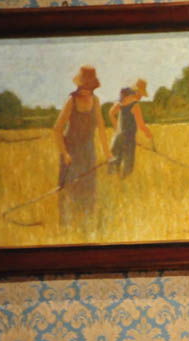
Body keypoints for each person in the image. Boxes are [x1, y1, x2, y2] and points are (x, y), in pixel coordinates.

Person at [53, 65, 112, 230]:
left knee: (88, 190)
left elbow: (101, 128)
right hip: (71, 151)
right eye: (84, 86)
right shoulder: (71, 101)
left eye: (89, 87)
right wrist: (65, 153)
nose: (86, 90)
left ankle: (86, 227)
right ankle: (66, 228)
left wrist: (107, 153)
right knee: (70, 190)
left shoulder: (96, 100)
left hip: (88, 151)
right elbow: (57, 129)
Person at [108, 78, 152, 178]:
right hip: (128, 139)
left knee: (114, 165)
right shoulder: (135, 105)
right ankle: (124, 183)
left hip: (117, 138)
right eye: (141, 94)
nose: (141, 97)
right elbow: (141, 125)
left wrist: (117, 128)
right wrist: (148, 133)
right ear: (137, 92)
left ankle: (114, 184)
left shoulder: (121, 101)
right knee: (128, 167)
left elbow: (111, 113)